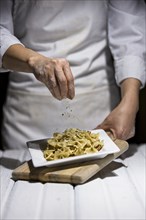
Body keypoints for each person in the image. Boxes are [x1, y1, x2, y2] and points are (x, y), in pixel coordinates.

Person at [0, 0, 145, 149]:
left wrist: (130, 102)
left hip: (99, 109)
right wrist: (33, 60)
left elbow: (130, 35)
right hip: (27, 117)